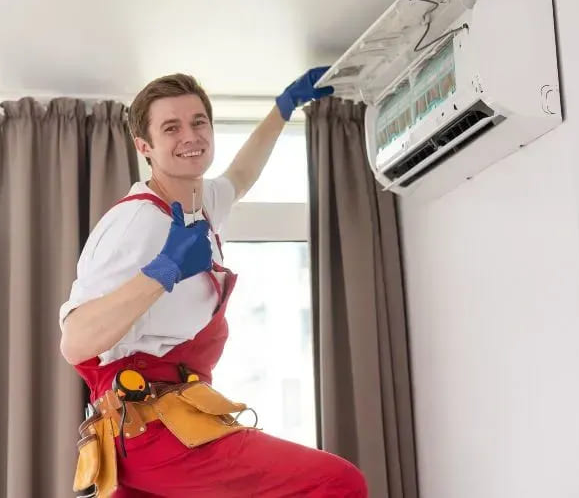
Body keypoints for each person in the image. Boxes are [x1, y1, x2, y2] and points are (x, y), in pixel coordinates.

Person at [59, 69, 368, 497]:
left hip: (167, 420)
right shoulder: (136, 221)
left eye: (198, 122)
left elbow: (241, 175)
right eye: (171, 127)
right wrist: (162, 271)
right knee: (336, 483)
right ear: (144, 146)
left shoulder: (197, 205)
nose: (190, 136)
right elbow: (76, 342)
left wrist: (283, 108)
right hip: (152, 428)